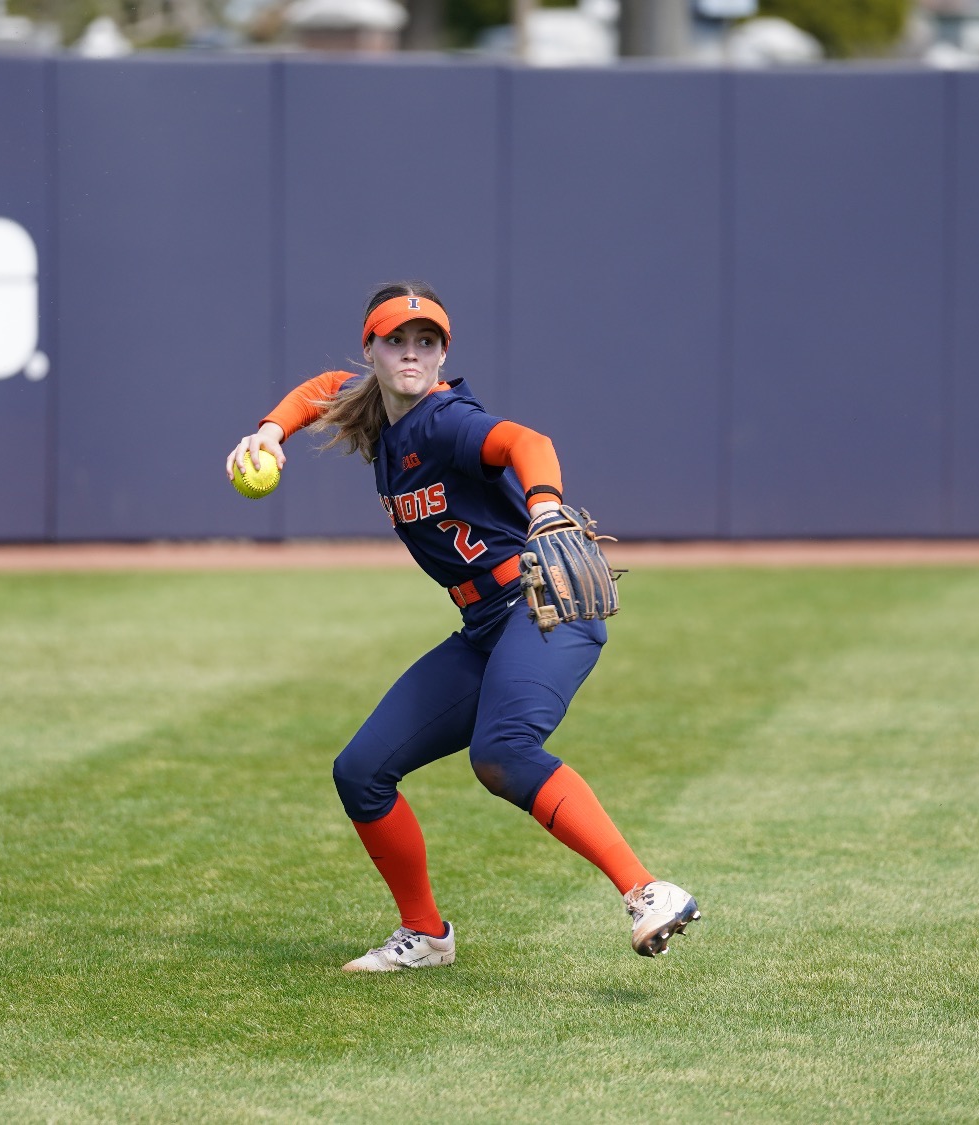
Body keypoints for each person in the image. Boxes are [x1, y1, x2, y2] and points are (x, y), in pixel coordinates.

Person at [226, 282, 699, 972]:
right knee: (361, 771)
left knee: (501, 750)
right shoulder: (374, 410)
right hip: (485, 624)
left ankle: (648, 890)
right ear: (373, 349)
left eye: (427, 341)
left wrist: (543, 507)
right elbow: (319, 390)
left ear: (444, 351)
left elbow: (526, 441)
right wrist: (270, 430)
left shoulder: (443, 420)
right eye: (397, 340)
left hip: (543, 610)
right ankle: (426, 935)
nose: (412, 352)